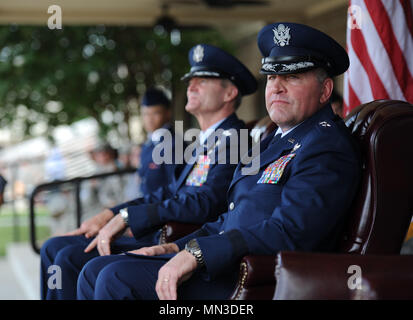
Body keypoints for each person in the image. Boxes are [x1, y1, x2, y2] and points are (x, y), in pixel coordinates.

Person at [76, 22, 362, 300]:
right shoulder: (275, 139)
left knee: (113, 277)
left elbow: (291, 231)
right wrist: (178, 248)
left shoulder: (325, 146)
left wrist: (199, 253)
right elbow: (234, 215)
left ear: (325, 91)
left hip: (254, 279)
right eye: (272, 77)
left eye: (292, 77)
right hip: (225, 263)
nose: (276, 87)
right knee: (95, 270)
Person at [40, 43, 257, 299]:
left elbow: (205, 202)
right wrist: (114, 213)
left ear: (230, 92)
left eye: (203, 80)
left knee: (72, 259)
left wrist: (131, 218)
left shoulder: (236, 139)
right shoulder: (207, 140)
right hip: (168, 233)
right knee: (54, 247)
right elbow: (168, 192)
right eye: (190, 81)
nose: (191, 86)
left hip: (187, 240)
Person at [138, 88, 177, 196]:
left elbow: (175, 188)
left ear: (167, 113)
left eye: (155, 113)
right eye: (145, 114)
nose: (149, 119)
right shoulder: (148, 144)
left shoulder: (174, 145)